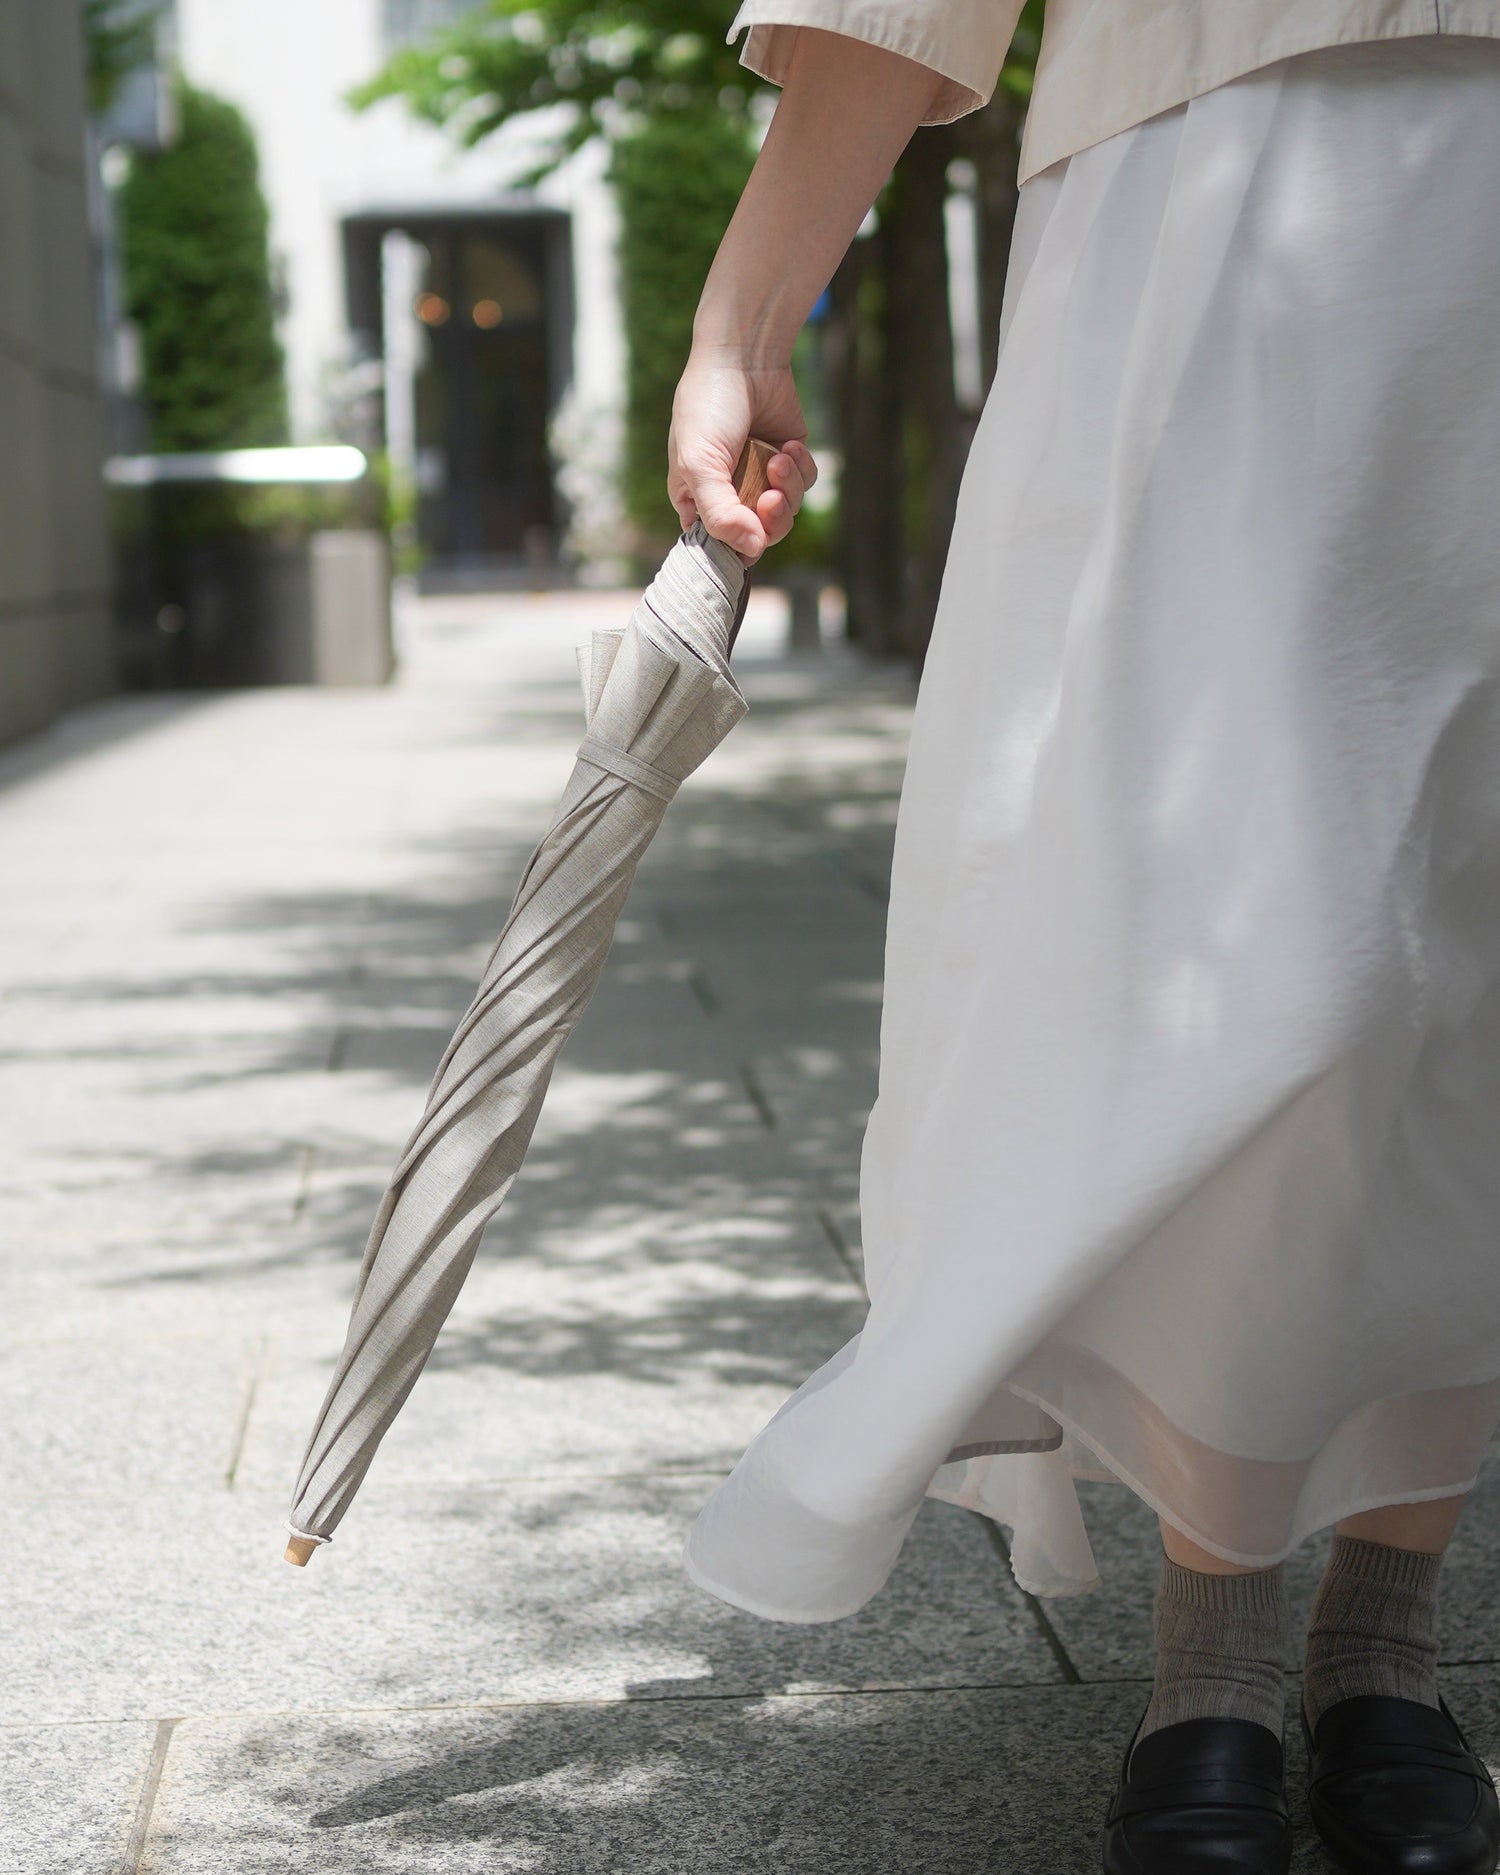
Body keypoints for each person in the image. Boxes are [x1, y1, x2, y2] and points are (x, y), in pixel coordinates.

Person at [667, 5, 1500, 1872]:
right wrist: (747, 316)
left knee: (1467, 948)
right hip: (1229, 161)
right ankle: (1217, 1644)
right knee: (1279, 957)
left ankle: (1387, 1637)